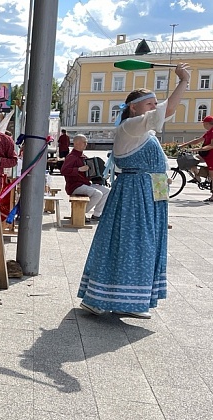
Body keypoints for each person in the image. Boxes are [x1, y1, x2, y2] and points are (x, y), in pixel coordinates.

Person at [78, 63, 191, 319]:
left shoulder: (144, 131)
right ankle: (100, 298)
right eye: (150, 104)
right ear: (134, 107)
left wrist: (162, 184)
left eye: (154, 104)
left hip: (149, 193)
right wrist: (183, 81)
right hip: (134, 195)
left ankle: (130, 300)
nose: (155, 107)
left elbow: (166, 115)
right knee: (129, 244)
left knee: (143, 245)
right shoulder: (130, 126)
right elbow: (169, 109)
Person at [61, 134, 110, 220]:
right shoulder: (71, 157)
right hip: (74, 186)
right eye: (84, 142)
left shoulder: (84, 157)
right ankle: (79, 214)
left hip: (85, 184)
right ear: (76, 143)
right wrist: (79, 169)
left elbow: (90, 174)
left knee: (106, 191)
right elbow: (64, 171)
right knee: (97, 194)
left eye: (86, 142)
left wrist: (100, 177)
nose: (86, 144)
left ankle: (97, 214)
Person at [177, 115, 213, 200]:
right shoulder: (208, 132)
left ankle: (212, 196)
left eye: (204, 123)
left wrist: (198, 149)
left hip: (211, 156)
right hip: (206, 154)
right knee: (191, 160)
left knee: (212, 176)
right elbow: (197, 140)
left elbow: (211, 145)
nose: (203, 125)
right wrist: (183, 145)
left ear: (208, 124)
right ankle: (197, 177)